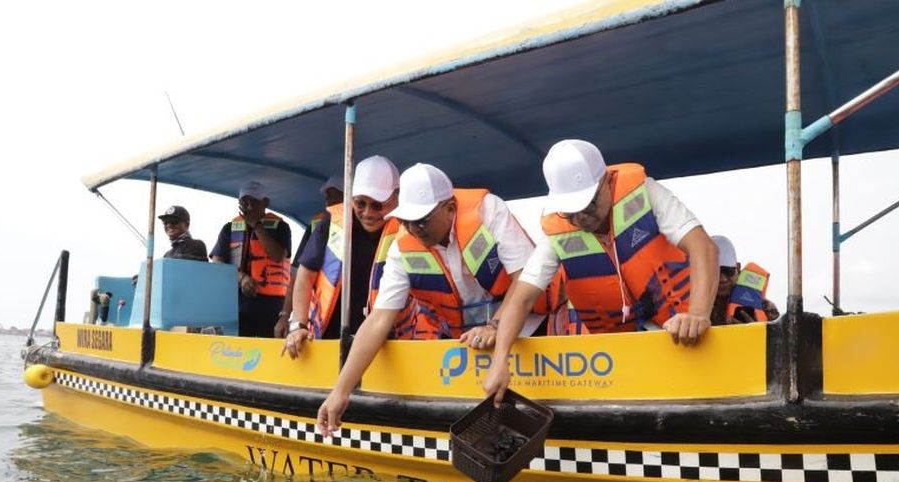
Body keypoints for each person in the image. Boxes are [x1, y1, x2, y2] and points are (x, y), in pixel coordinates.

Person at [313, 163, 545, 436]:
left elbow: (525, 278)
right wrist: (340, 391)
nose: (414, 229)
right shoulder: (403, 246)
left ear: (449, 208)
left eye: (421, 220)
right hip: (467, 343)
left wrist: (495, 326)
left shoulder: (489, 211)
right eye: (406, 221)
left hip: (526, 333)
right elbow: (378, 319)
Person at [483, 139, 719, 403]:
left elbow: (704, 248)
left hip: (678, 333)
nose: (580, 218)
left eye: (589, 206)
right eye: (570, 213)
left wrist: (697, 314)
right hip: (618, 351)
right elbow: (523, 297)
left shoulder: (646, 193)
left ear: (606, 180)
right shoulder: (557, 231)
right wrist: (500, 360)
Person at [282, 156, 401, 357]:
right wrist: (297, 325)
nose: (368, 213)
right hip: (332, 334)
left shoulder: (408, 227)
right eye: (360, 203)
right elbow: (304, 276)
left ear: (396, 198)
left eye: (377, 205)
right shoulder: (333, 223)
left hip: (387, 341)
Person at [210, 181, 292, 337]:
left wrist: (256, 225)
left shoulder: (281, 227)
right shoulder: (229, 228)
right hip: (237, 307)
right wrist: (241, 278)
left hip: (271, 308)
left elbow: (277, 255)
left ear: (265, 202)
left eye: (252, 202)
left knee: (268, 355)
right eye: (243, 202)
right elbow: (217, 262)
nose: (248, 206)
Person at [275, 176, 343, 338]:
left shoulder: (368, 226)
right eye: (327, 195)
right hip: (320, 320)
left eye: (333, 195)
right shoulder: (319, 226)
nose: (328, 200)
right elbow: (298, 276)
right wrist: (286, 316)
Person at [710, 235, 779, 325]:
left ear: (738, 268)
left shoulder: (765, 307)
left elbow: (783, 336)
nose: (723, 279)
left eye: (728, 271)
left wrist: (755, 330)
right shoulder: (693, 306)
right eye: (715, 273)